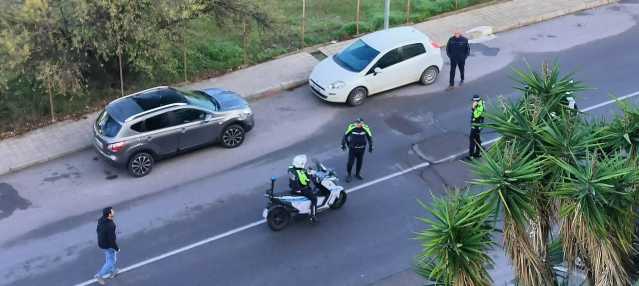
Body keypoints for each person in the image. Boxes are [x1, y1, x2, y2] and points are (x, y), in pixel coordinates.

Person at [341, 118, 373, 183]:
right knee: (350, 163)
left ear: (362, 123)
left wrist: (371, 146)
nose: (357, 124)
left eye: (359, 123)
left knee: (359, 162)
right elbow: (345, 136)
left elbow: (370, 137)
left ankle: (357, 174)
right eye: (356, 122)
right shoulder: (352, 127)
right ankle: (349, 175)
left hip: (361, 149)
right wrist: (343, 144)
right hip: (352, 149)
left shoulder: (366, 128)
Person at [289, 154, 318, 222]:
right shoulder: (301, 174)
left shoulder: (291, 169)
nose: (304, 164)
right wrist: (310, 176)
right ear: (300, 164)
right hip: (302, 190)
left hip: (294, 188)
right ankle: (313, 216)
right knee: (314, 199)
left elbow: (302, 171)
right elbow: (306, 182)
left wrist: (306, 172)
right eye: (304, 163)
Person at [95, 207, 120, 285]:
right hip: (108, 245)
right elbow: (112, 240)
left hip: (101, 243)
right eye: (112, 211)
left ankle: (113, 271)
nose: (114, 212)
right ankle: (99, 275)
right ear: (109, 214)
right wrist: (117, 248)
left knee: (109, 258)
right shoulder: (111, 225)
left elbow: (98, 230)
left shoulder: (101, 220)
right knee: (112, 260)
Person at [467, 95, 484, 159]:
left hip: (476, 126)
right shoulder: (481, 103)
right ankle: (478, 153)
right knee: (477, 140)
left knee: (472, 140)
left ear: (476, 101)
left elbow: (476, 115)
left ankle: (471, 155)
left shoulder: (480, 106)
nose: (473, 102)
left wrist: (473, 108)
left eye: (473, 101)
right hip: (478, 126)